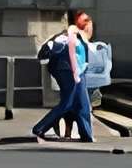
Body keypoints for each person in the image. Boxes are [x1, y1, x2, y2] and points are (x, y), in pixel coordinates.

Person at [29, 9, 97, 145]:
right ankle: (39, 128)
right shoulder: (68, 37)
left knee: (81, 103)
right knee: (70, 103)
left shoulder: (74, 37)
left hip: (76, 72)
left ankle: (86, 134)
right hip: (71, 72)